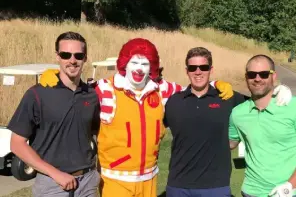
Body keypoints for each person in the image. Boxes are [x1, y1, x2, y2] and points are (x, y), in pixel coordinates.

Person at [38, 38, 234, 197]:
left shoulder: (162, 90)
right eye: (134, 63)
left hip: (149, 180)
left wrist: (217, 85)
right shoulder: (105, 88)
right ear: (124, 64)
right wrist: (57, 76)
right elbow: (78, 91)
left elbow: (193, 88)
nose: (139, 69)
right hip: (115, 181)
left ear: (152, 68)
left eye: (145, 64)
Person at [163, 48, 293, 197]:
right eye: (193, 68)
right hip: (178, 186)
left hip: (216, 186)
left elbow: (260, 99)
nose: (198, 72)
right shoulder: (174, 101)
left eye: (203, 67)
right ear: (187, 71)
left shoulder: (228, 98)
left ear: (211, 70)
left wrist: (279, 90)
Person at [7, 32, 101, 197]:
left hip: (87, 182)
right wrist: (55, 174)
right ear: (57, 56)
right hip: (52, 184)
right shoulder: (37, 94)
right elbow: (17, 144)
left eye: (78, 55)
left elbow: (98, 135)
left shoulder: (92, 95)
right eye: (66, 55)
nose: (72, 60)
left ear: (85, 58)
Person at [229, 54, 296, 197]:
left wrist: (289, 186)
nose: (257, 78)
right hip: (251, 192)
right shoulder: (238, 113)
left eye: (264, 74)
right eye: (252, 74)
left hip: (291, 192)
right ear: (246, 77)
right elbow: (230, 142)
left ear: (273, 76)